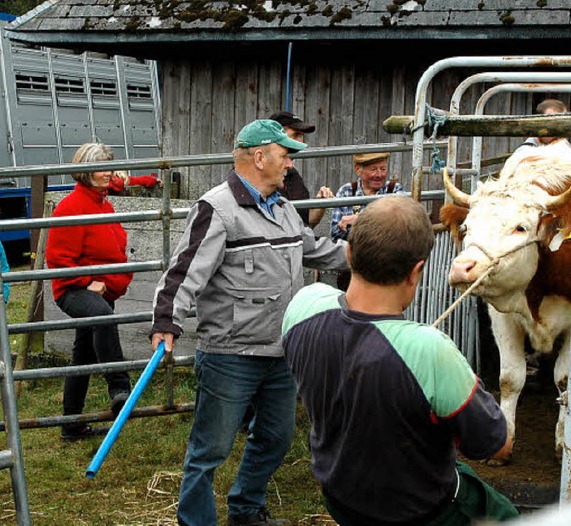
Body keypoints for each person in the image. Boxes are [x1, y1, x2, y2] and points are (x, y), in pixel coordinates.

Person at [150, 119, 347, 526]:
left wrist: (367, 255)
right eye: (285, 155)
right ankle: (196, 520)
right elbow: (184, 273)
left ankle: (244, 506)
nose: (290, 164)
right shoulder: (217, 209)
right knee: (210, 451)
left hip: (281, 350)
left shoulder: (284, 207)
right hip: (231, 354)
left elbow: (315, 251)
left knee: (276, 438)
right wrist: (167, 319)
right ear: (259, 157)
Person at [282, 195, 518, 526]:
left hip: (341, 495)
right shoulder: (429, 350)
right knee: (506, 515)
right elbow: (497, 446)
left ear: (349, 254)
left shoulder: (303, 308)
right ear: (417, 271)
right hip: (418, 511)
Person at [45, 142, 132, 441]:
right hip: (73, 289)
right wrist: (85, 282)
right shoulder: (71, 207)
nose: (108, 172)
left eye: (109, 165)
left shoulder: (103, 203)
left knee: (82, 355)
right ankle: (119, 386)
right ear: (85, 172)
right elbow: (56, 259)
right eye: (100, 167)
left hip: (101, 290)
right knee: (102, 315)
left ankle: (71, 425)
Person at [269, 111, 333, 228]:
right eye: (296, 134)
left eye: (301, 136)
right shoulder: (261, 177)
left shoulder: (293, 175)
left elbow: (305, 224)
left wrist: (321, 205)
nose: (300, 142)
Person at [330, 151, 403, 241]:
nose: (379, 175)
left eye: (383, 169)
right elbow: (335, 234)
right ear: (358, 169)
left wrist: (360, 220)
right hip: (355, 252)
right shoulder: (346, 191)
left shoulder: (394, 190)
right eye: (373, 169)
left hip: (386, 252)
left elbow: (400, 226)